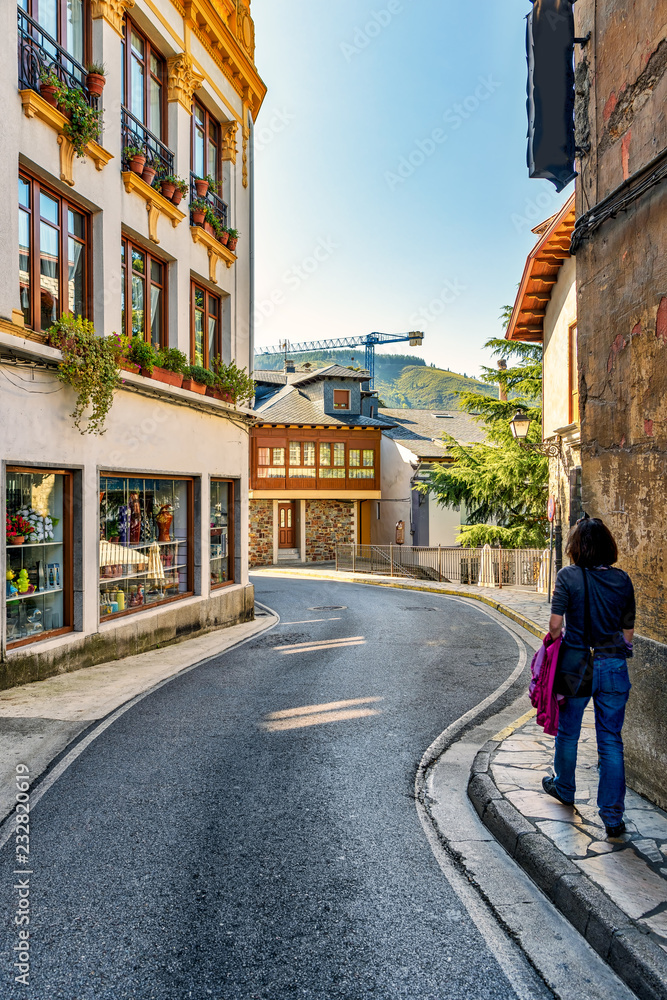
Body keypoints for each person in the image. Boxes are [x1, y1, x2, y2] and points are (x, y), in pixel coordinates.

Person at [542, 515, 635, 838]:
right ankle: (612, 817)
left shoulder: (567, 576)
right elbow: (628, 633)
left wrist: (554, 645)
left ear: (576, 547)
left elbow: (555, 626)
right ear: (608, 547)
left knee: (568, 732)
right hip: (612, 666)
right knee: (610, 741)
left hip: (576, 663)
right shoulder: (622, 580)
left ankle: (564, 787)